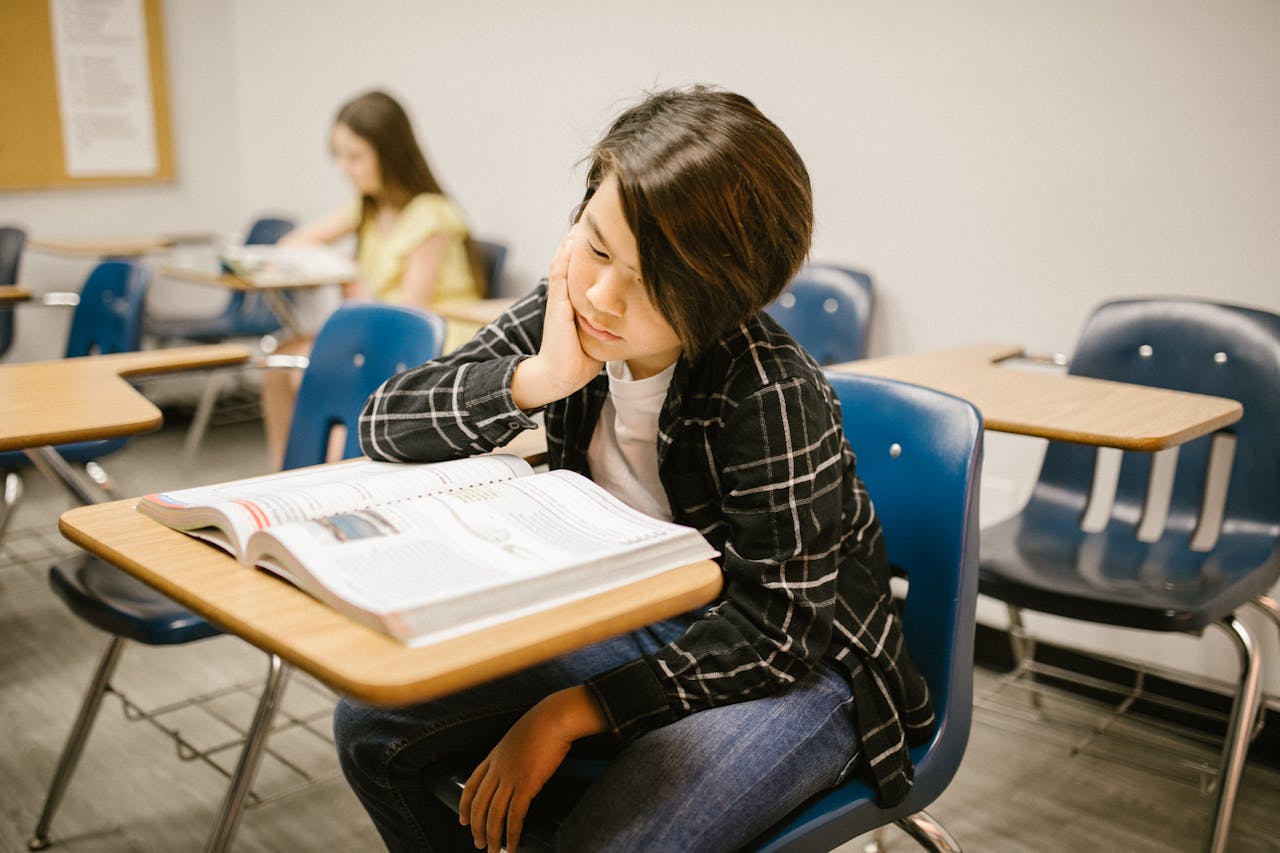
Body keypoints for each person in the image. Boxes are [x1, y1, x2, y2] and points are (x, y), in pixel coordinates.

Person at [335, 85, 933, 853]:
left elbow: (777, 633)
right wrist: (538, 379)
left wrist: (568, 711)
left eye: (652, 279)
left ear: (724, 296)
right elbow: (386, 419)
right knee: (370, 726)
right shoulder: (571, 305)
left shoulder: (769, 388)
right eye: (595, 244)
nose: (603, 295)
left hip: (804, 668)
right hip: (636, 618)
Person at [260, 89, 483, 469]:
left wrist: (359, 287)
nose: (344, 167)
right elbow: (290, 246)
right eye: (339, 156)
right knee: (280, 358)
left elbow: (411, 312)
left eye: (355, 157)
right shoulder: (367, 207)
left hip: (435, 333)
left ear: (389, 154)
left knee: (317, 373)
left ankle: (329, 474)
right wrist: (341, 263)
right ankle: (288, 470)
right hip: (377, 325)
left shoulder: (431, 215)